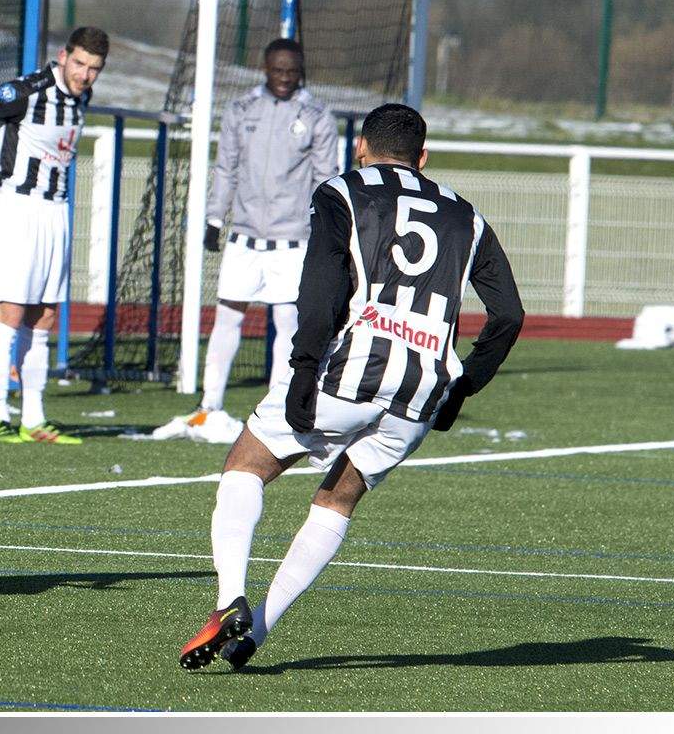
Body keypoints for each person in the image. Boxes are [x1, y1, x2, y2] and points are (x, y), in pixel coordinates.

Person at [178, 103, 525, 670]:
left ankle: (229, 601)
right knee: (338, 499)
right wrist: (461, 388)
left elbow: (319, 290)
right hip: (420, 389)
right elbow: (509, 315)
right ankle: (256, 634)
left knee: (247, 465)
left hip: (349, 370)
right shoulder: (469, 217)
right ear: (424, 156)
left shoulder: (342, 191)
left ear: (361, 148)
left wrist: (304, 367)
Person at [180, 38, 340, 436]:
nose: (285, 78)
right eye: (278, 70)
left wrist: (325, 228)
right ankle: (209, 404)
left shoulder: (318, 115)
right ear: (265, 69)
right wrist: (215, 218)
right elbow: (226, 168)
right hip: (245, 237)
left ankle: (274, 407)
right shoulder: (240, 110)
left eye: (292, 71)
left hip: (292, 240)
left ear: (300, 72)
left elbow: (325, 177)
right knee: (227, 317)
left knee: (287, 322)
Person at [0, 26, 109, 445]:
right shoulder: (30, 89)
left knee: (45, 316)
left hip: (57, 213)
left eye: (94, 69)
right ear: (63, 55)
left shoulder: (80, 96)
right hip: (19, 209)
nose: (85, 74)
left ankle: (34, 417)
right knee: (11, 312)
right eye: (79, 63)